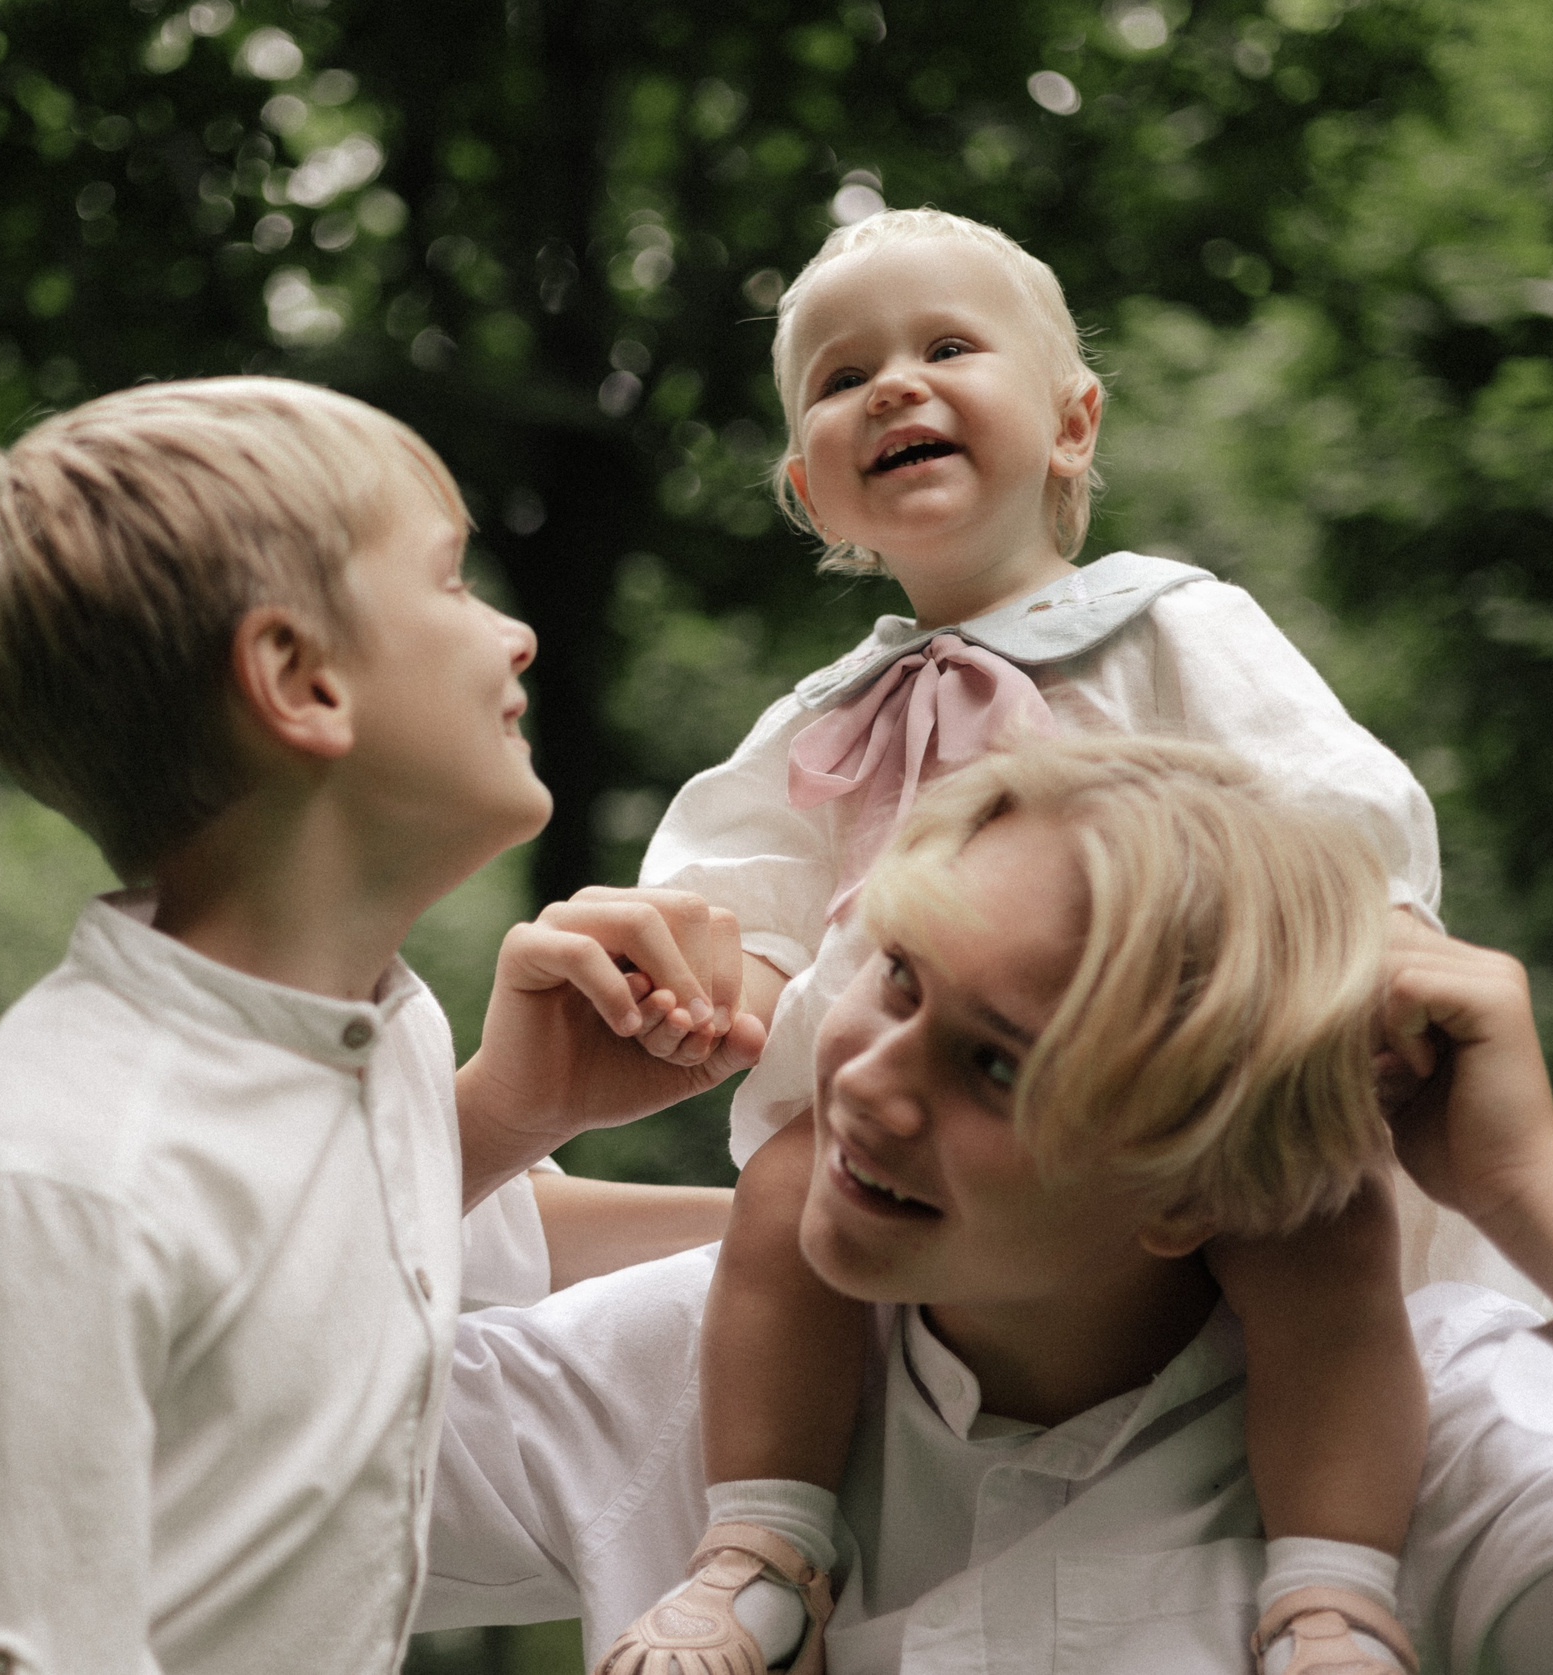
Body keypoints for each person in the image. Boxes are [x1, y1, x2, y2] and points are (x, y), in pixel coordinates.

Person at [420, 737, 1553, 1674]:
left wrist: (1526, 1188)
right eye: (898, 979)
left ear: (1192, 1186)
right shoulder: (682, 1368)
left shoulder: (1440, 1444)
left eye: (1000, 1066)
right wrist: (490, 1124)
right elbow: (211, 1456)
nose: (872, 1086)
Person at [543, 207, 1479, 1675]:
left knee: (1320, 1221)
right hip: (904, 1091)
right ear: (811, 490)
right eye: (844, 379)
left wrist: (1379, 941)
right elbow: (738, 880)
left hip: (1147, 1073)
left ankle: (1331, 1589)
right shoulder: (818, 717)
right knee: (787, 1197)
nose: (895, 387)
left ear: (1070, 420)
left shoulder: (1169, 623)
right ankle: (765, 1544)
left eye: (948, 347)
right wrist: (724, 983)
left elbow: (1327, 794)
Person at [0, 377, 760, 1675]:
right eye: (453, 584)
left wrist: (519, 1121)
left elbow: (380, 1246)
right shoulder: (52, 1198)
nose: (515, 635)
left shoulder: (366, 1031)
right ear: (300, 682)